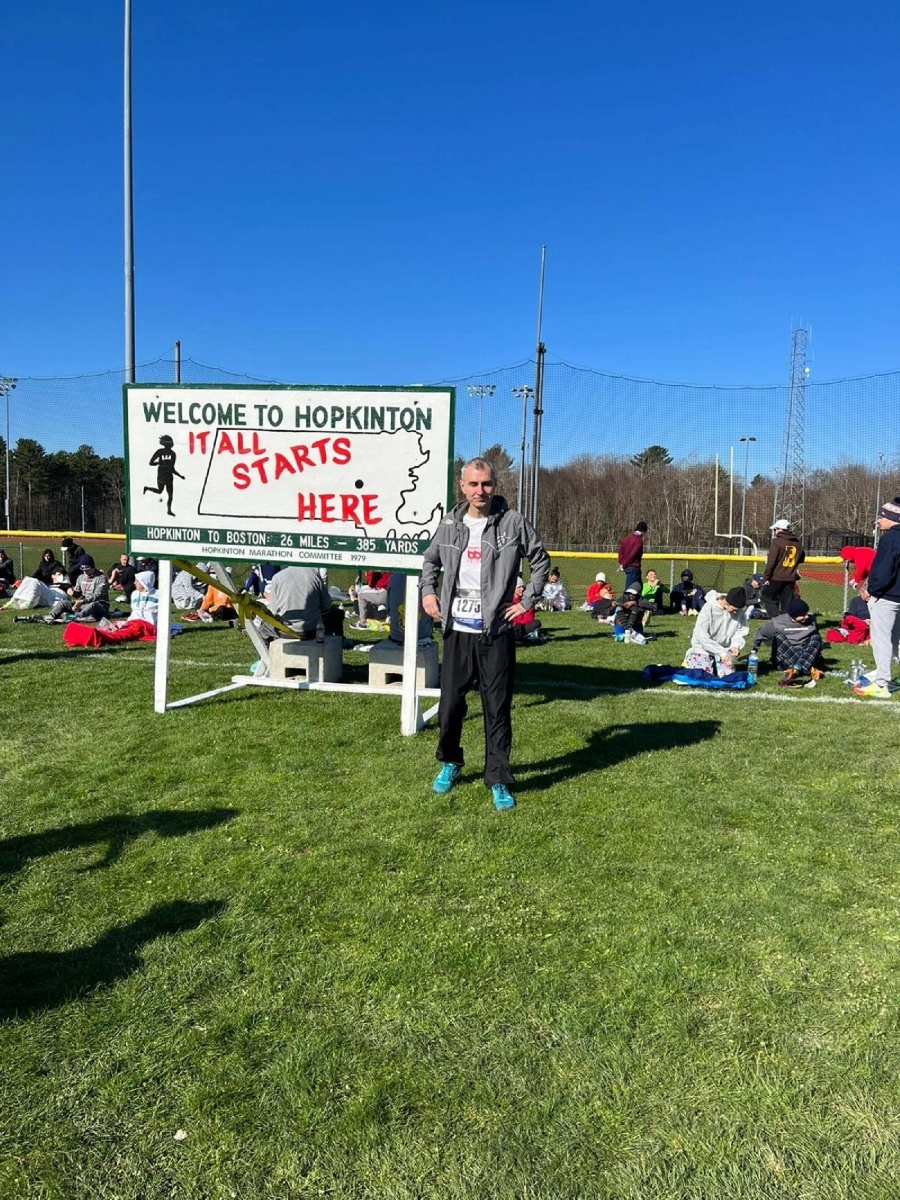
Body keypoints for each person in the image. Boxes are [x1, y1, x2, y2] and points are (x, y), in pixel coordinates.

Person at [420, 456, 550, 811]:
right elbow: (430, 561)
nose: (481, 490)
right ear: (462, 486)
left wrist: (527, 602)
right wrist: (428, 591)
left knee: (497, 708)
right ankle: (451, 760)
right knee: (450, 706)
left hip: (496, 632)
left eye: (487, 484)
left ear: (495, 485)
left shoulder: (512, 522)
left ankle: (498, 778)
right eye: (474, 484)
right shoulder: (450, 523)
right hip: (457, 632)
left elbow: (540, 560)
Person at [855, 501, 900, 698]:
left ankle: (881, 683)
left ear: (892, 518)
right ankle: (882, 677)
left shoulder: (890, 539)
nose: (878, 521)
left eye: (881, 517)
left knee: (881, 640)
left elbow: (885, 570)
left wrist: (872, 590)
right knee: (896, 640)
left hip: (886, 596)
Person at [254, 566, 344, 640]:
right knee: (338, 613)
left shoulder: (277, 577)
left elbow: (273, 611)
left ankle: (266, 655)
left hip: (287, 631)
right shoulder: (314, 574)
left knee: (263, 626)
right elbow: (327, 605)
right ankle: (340, 642)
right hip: (313, 629)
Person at [751, 597, 826, 687]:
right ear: (794, 615)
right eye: (803, 614)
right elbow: (760, 634)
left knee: (816, 637)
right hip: (787, 657)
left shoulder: (811, 621)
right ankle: (808, 669)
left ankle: (797, 669)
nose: (806, 616)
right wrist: (754, 650)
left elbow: (815, 643)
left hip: (805, 653)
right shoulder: (777, 622)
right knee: (779, 638)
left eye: (806, 613)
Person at [685, 587, 749, 676]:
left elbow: (740, 631)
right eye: (734, 610)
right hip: (703, 648)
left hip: (725, 649)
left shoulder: (739, 612)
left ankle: (716, 663)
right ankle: (692, 655)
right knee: (705, 675)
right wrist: (721, 652)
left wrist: (735, 646)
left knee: (727, 676)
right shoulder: (709, 608)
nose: (735, 612)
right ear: (727, 603)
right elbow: (701, 635)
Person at [45, 555, 110, 623]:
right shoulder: (81, 577)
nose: (85, 572)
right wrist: (69, 589)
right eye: (83, 570)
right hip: (83, 605)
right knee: (63, 603)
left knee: (93, 605)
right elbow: (77, 594)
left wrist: (82, 601)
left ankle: (74, 617)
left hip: (99, 605)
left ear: (92, 567)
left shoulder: (101, 578)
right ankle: (50, 617)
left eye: (87, 570)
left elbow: (98, 595)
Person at [761, 518, 805, 617]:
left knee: (767, 597)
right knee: (786, 602)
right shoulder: (798, 543)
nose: (774, 532)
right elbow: (801, 559)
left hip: (776, 576)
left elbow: (771, 562)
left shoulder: (777, 542)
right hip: (790, 578)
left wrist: (766, 577)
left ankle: (776, 619)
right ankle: (786, 620)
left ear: (779, 529)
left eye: (775, 529)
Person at [143, 434, 185, 517]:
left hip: (169, 476)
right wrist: (159, 462)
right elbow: (151, 463)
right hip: (161, 475)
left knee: (170, 495)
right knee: (160, 491)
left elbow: (172, 468)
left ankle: (169, 510)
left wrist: (180, 476)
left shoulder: (173, 454)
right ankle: (147, 488)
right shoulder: (160, 451)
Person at [617, 521, 647, 591]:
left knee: (639, 589)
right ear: (643, 531)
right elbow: (632, 554)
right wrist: (624, 565)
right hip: (633, 568)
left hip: (628, 567)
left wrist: (621, 563)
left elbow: (620, 551)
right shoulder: (638, 540)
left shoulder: (626, 538)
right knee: (630, 591)